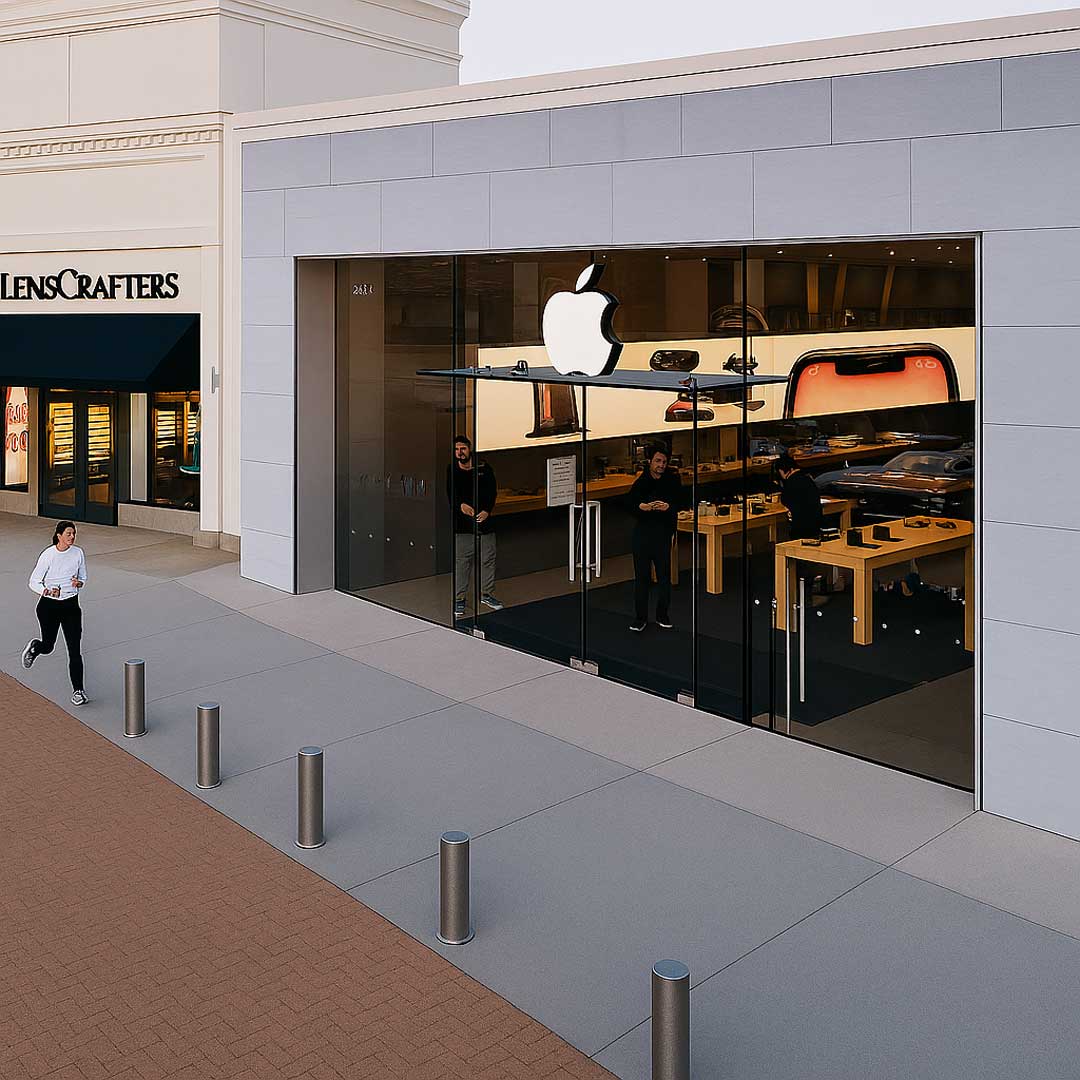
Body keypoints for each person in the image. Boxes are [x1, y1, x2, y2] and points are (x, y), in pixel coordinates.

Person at [22, 521, 88, 707]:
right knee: (49, 646)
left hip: (71, 607)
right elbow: (33, 581)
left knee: (75, 651)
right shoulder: (48, 555)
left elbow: (83, 577)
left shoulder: (78, 553)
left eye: (74, 533)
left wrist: (79, 583)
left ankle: (78, 691)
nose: (72, 537)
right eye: (68, 534)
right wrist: (46, 591)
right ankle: (36, 647)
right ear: (59, 535)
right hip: (49, 607)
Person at [627, 444, 683, 632]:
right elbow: (630, 504)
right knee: (642, 579)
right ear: (650, 461)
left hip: (663, 534)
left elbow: (681, 502)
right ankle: (640, 618)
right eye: (658, 461)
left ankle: (662, 614)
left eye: (664, 462)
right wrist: (642, 507)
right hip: (642, 535)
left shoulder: (673, 481)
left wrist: (669, 507)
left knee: (664, 578)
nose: (661, 465)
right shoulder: (641, 482)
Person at [447, 435, 502, 618]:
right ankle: (459, 599)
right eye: (456, 450)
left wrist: (487, 510)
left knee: (487, 559)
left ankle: (487, 594)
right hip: (463, 525)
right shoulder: (452, 470)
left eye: (462, 449)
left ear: (469, 449)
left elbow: (492, 491)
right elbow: (451, 495)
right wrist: (461, 506)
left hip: (485, 522)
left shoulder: (483, 468)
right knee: (462, 562)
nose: (459, 453)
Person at [775, 453, 823, 540]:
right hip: (816, 526)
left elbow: (785, 501)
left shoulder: (791, 482)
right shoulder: (808, 479)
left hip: (801, 528)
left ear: (782, 471)